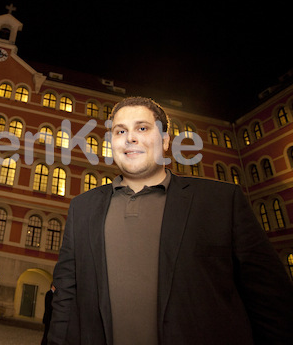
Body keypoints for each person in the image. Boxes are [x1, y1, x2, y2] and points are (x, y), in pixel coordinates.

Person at [48, 96, 293, 344]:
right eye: (120, 131)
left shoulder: (221, 201)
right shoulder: (82, 208)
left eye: (142, 128)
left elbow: (272, 304)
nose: (130, 137)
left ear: (165, 140)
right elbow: (65, 302)